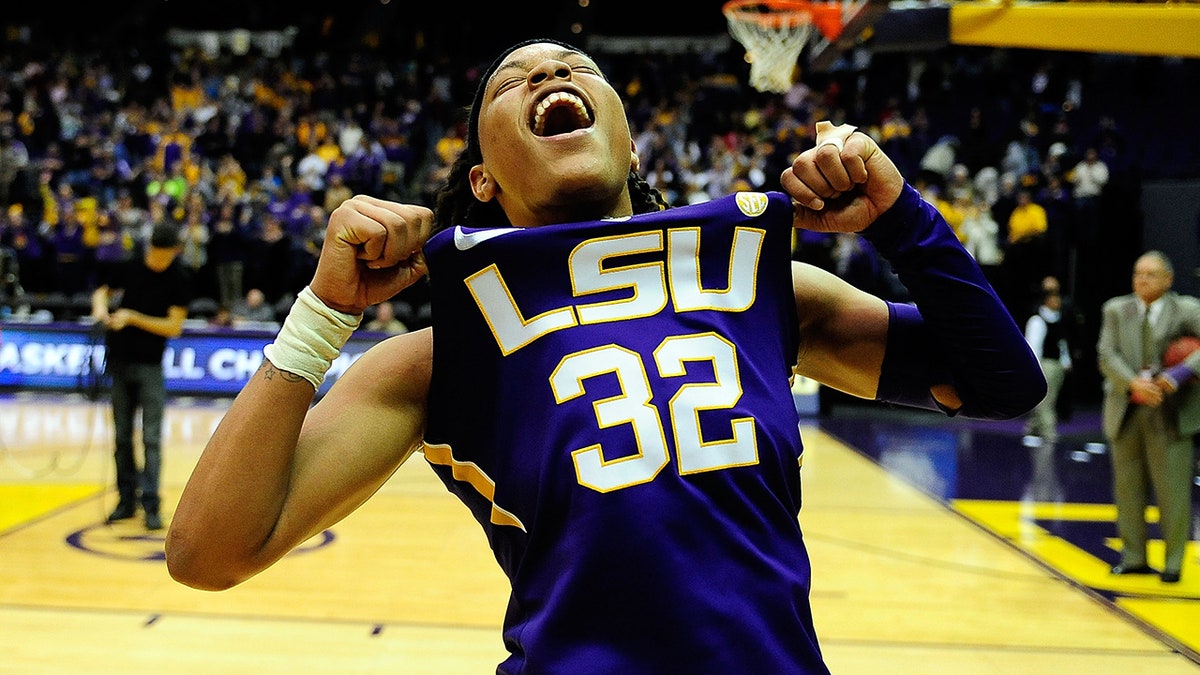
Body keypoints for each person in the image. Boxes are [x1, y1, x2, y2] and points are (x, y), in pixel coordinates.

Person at [165, 40, 1045, 673]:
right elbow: (209, 552)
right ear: (483, 180)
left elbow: (1002, 384)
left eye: (578, 67)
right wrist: (324, 313)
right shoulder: (438, 356)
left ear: (631, 143)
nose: (549, 72)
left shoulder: (756, 283)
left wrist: (903, 219)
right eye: (514, 80)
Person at [1097, 251, 1200, 584]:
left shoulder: (1186, 309)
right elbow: (1106, 354)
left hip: (1170, 411)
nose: (1141, 280)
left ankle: (1173, 562)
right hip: (1127, 408)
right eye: (1137, 273)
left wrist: (1179, 374)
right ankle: (1134, 558)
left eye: (1150, 274)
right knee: (1127, 489)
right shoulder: (1115, 309)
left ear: (1168, 280)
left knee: (1172, 492)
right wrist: (1133, 383)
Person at [91, 222, 192, 531]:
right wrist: (100, 310)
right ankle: (126, 500)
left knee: (150, 438)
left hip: (150, 365)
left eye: (166, 254)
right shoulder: (129, 267)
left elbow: (174, 326)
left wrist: (133, 317)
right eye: (156, 253)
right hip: (119, 361)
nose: (160, 260)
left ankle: (151, 503)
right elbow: (102, 291)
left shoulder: (179, 277)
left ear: (174, 251)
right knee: (122, 437)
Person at [1022, 276, 1073, 446]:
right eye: (1053, 297)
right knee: (1045, 402)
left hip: (1056, 366)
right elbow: (1033, 346)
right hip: (1044, 366)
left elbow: (1061, 343)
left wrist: (1065, 361)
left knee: (1048, 400)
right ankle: (1048, 433)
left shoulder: (1058, 319)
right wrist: (1034, 370)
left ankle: (1032, 429)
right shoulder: (1037, 320)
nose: (1057, 301)